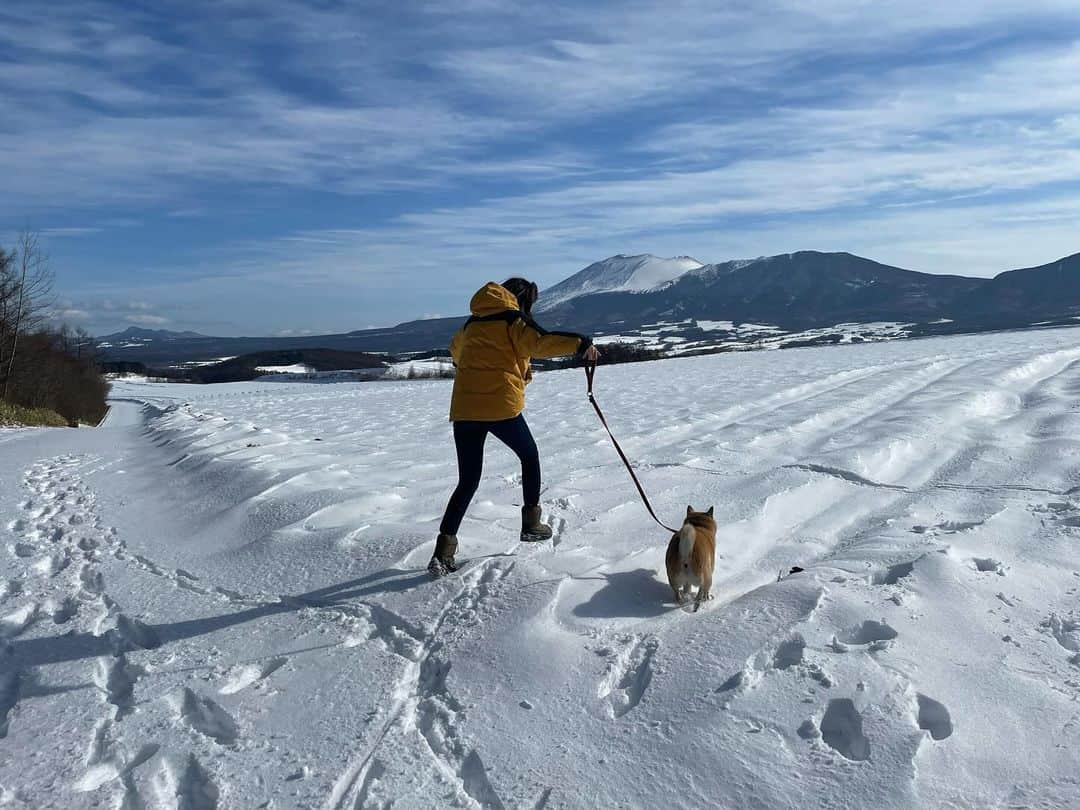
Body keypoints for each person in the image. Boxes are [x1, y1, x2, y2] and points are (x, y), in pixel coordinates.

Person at [429, 277, 600, 577]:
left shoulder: (471, 324)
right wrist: (582, 344)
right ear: (523, 300)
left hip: (465, 409)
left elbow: (455, 352)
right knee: (529, 456)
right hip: (500, 407)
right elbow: (541, 343)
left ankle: (443, 551)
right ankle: (531, 524)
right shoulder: (513, 321)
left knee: (467, 480)